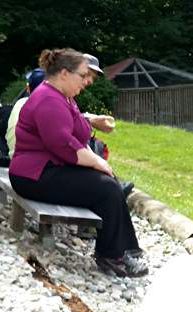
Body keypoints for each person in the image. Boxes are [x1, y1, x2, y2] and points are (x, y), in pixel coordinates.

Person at [9, 48, 147, 277]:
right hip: (33, 176)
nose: (86, 81)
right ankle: (112, 256)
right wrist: (96, 162)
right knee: (107, 189)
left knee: (108, 183)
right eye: (82, 75)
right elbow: (63, 145)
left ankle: (125, 248)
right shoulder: (48, 100)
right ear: (64, 73)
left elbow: (76, 131)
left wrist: (92, 131)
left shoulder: (62, 96)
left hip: (48, 168)